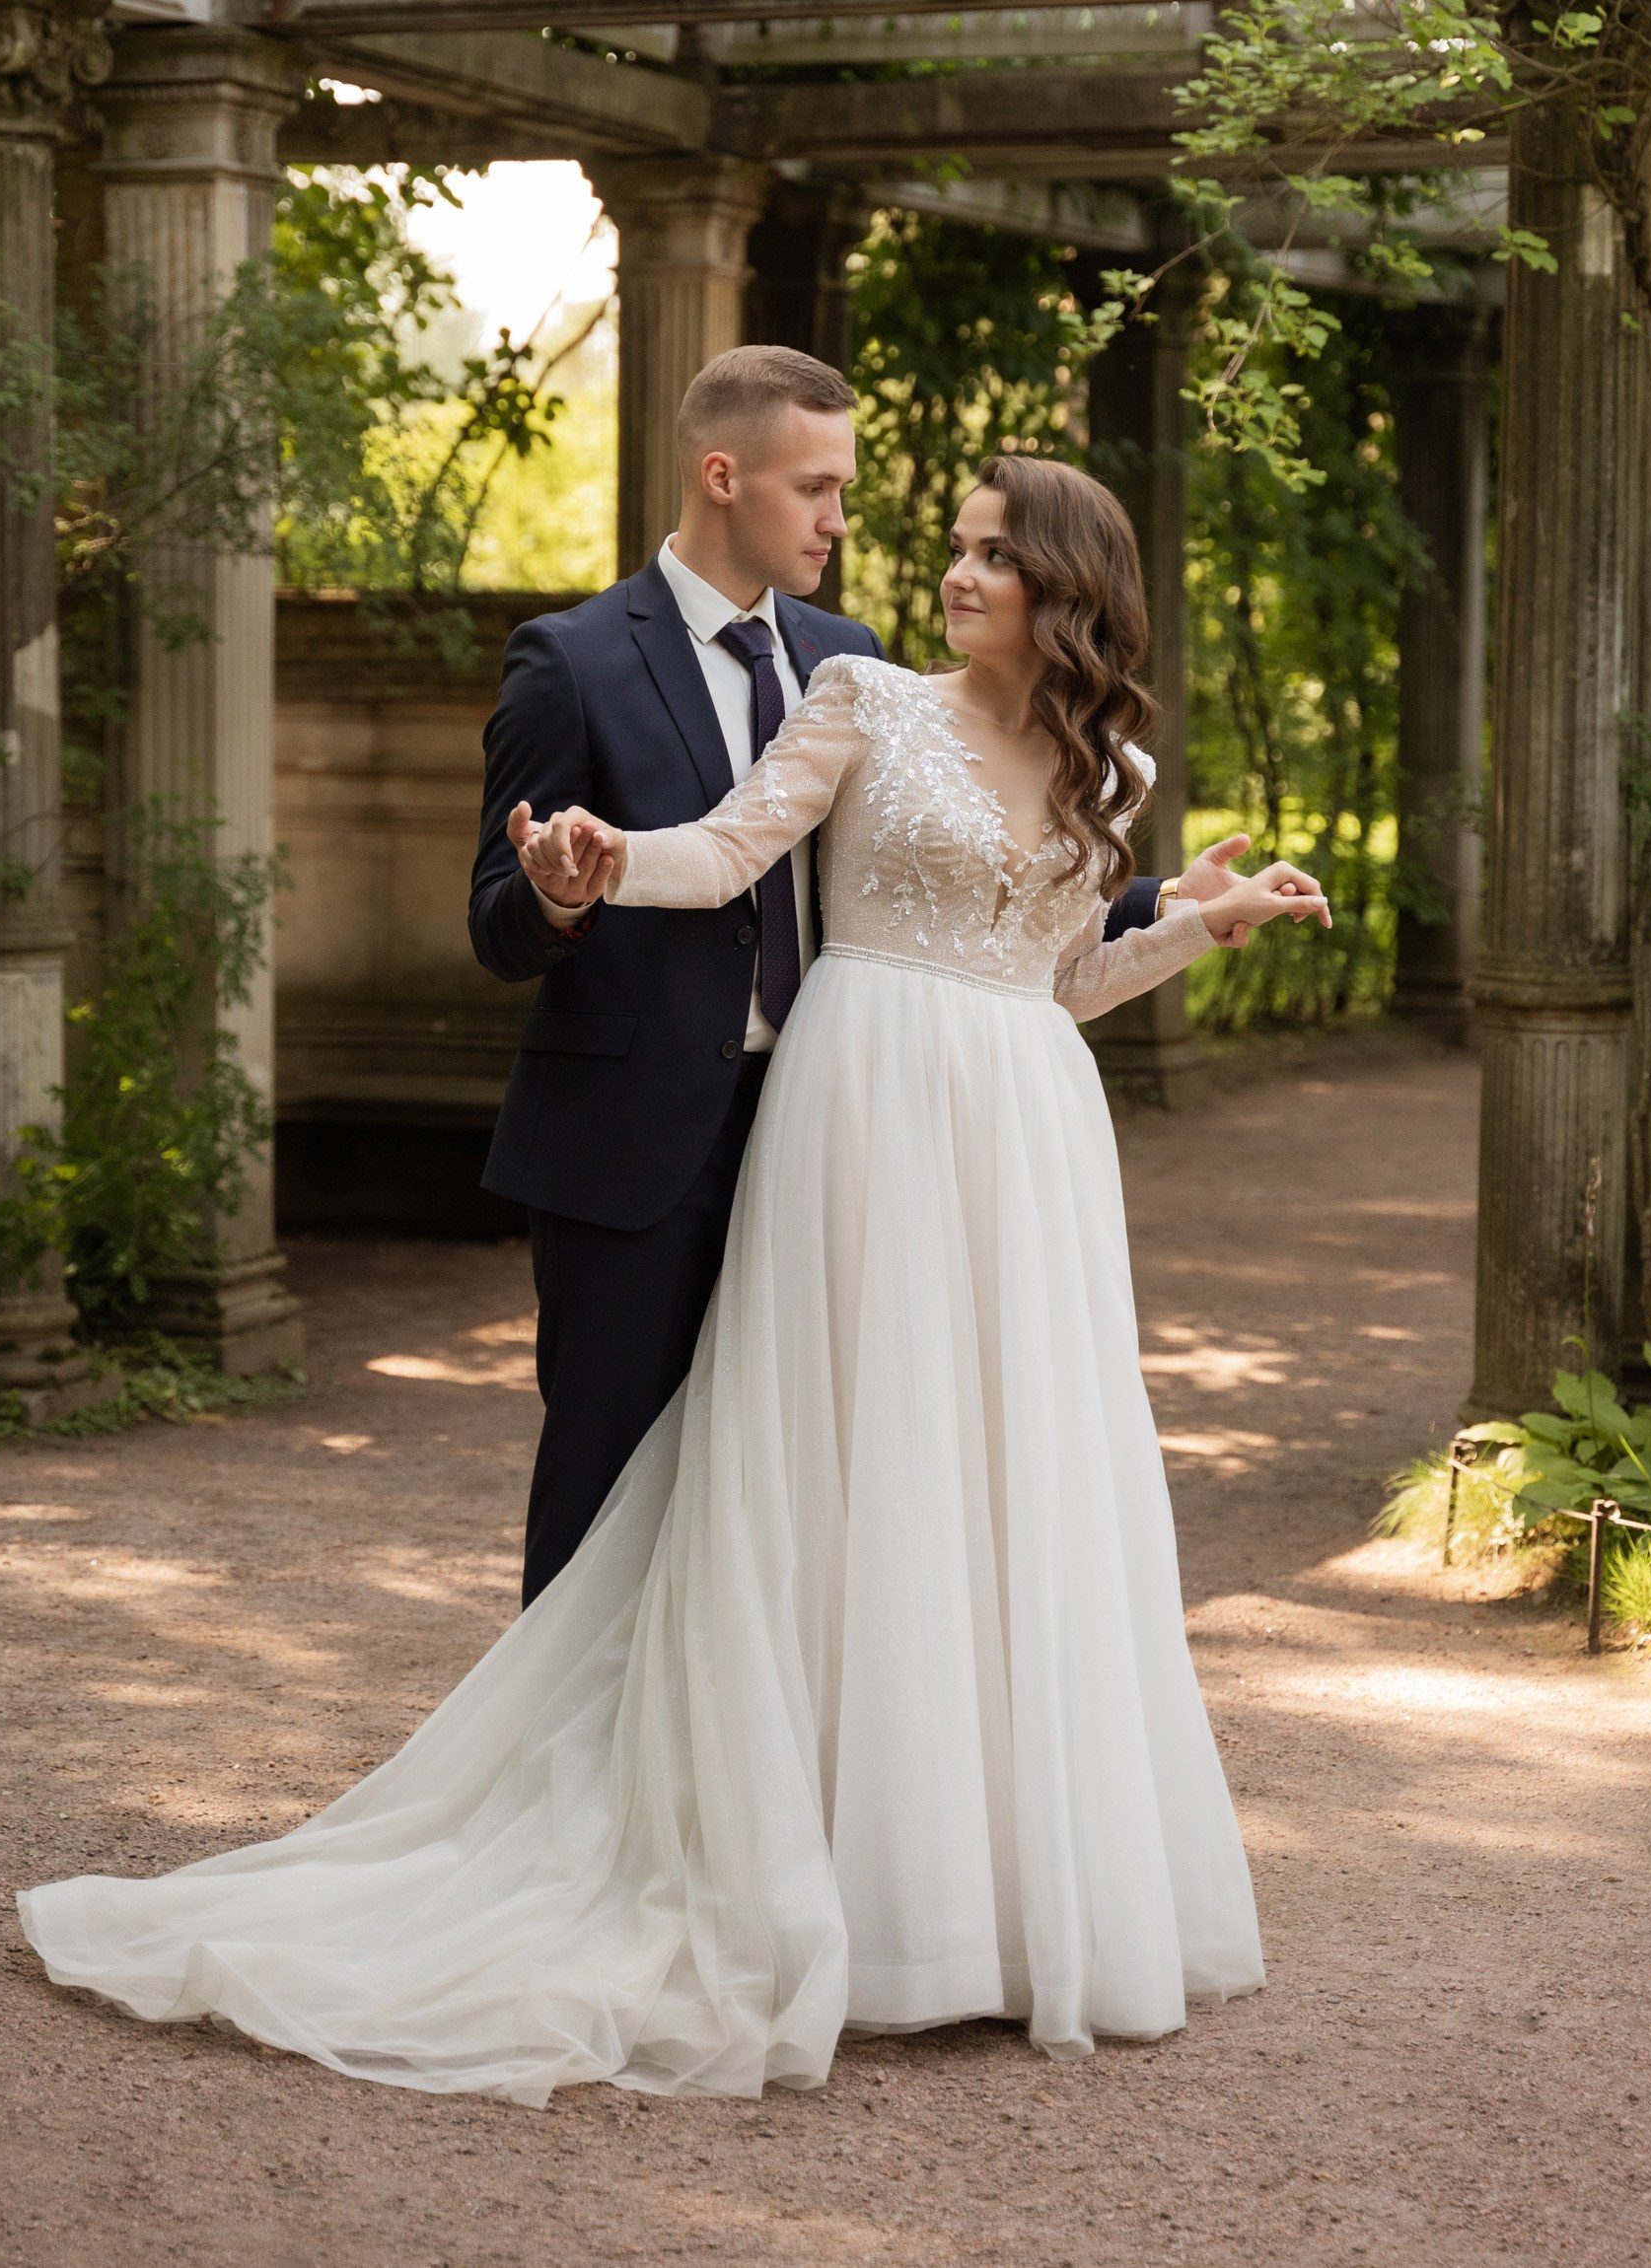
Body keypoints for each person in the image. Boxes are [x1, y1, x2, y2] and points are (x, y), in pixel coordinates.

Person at [19, 452, 1329, 2101]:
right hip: (858, 1113)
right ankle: (817, 1876)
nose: (957, 572)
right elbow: (722, 853)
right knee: (844, 1472)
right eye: (958, 545)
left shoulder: (1110, 767)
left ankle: (985, 1902)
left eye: (997, 556)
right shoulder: (862, 697)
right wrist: (595, 861)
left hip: (1026, 1141)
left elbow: (1058, 982)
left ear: (1069, 592)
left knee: (1001, 1484)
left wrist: (1203, 925)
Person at [467, 343, 1270, 1602]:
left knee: (839, 1478)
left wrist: (1169, 904)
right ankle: (573, 1774)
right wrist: (573, 882)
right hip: (633, 1139)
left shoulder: (854, 653)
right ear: (722, 474)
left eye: (847, 489)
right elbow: (511, 915)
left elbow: (965, 885)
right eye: (817, 487)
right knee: (606, 1487)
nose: (843, 520)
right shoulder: (569, 659)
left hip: (858, 1130)